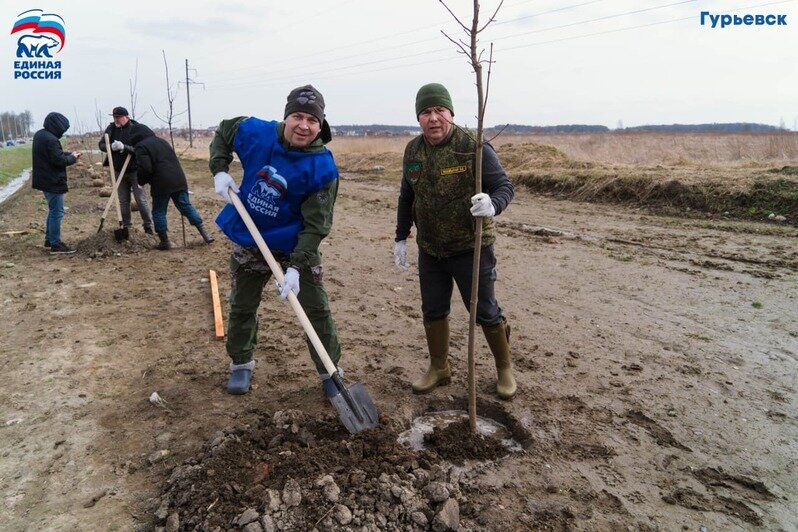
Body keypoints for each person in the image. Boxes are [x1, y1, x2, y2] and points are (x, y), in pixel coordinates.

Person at [210, 84, 342, 395]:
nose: (304, 126)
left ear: (321, 124)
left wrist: (296, 267)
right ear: (286, 118)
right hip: (252, 238)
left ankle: (330, 373)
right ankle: (240, 363)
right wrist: (219, 168)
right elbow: (225, 130)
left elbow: (316, 225)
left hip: (296, 244)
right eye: (297, 116)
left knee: (316, 309)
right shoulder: (257, 132)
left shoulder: (323, 167)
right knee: (242, 304)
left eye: (312, 120)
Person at [394, 83, 517, 399]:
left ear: (450, 113)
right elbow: (407, 195)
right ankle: (439, 367)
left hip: (471, 248)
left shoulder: (473, 146)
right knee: (433, 310)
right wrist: (400, 237)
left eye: (439, 111)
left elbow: (504, 186)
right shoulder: (413, 151)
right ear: (419, 118)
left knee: (484, 311)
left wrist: (493, 204)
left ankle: (504, 369)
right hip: (431, 250)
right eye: (426, 112)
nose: (433, 118)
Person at [130, 129, 215, 249]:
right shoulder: (162, 141)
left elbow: (145, 167)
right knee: (186, 206)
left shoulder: (140, 147)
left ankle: (164, 242)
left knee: (159, 211)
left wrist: (141, 181)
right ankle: (206, 234)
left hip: (161, 182)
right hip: (178, 178)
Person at [98, 107, 155, 235]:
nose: (116, 120)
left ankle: (148, 226)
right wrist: (109, 147)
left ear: (126, 116)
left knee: (140, 199)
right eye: (114, 117)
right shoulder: (111, 129)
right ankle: (126, 226)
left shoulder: (136, 128)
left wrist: (125, 147)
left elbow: (142, 149)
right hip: (118, 170)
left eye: (118, 117)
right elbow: (101, 144)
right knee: (123, 201)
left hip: (135, 170)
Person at [31, 112, 81, 254]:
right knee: (57, 212)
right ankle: (56, 244)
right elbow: (59, 161)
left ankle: (49, 239)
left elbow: (54, 154)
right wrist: (73, 158)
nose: (63, 132)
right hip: (52, 180)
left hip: (44, 179)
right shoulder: (52, 140)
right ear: (57, 126)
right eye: (63, 129)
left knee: (53, 210)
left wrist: (69, 154)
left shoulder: (40, 135)